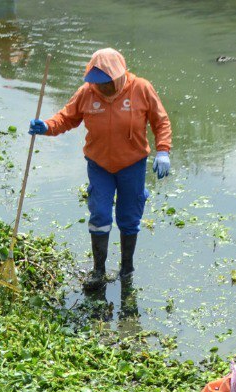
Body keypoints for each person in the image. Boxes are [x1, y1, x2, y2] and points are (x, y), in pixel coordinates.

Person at [28, 47, 171, 288]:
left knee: (129, 216)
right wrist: (47, 126)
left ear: (118, 76)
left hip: (132, 164)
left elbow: (161, 121)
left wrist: (163, 150)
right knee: (100, 214)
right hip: (100, 165)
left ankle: (127, 269)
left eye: (106, 83)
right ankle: (98, 271)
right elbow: (66, 118)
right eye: (97, 83)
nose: (101, 88)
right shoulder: (87, 92)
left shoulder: (141, 88)